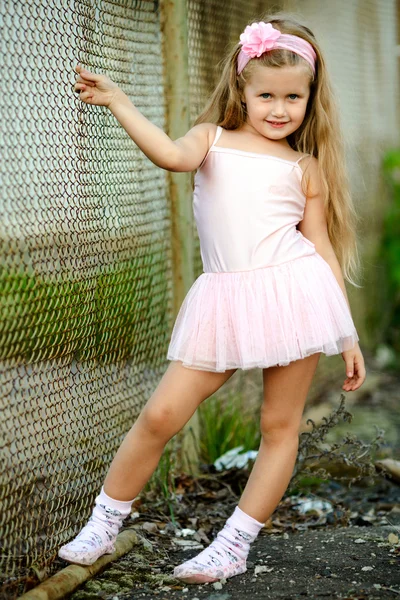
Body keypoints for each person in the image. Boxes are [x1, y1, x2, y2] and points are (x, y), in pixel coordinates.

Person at [59, 13, 366, 585]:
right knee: (161, 414)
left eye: (293, 97)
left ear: (310, 98)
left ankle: (233, 545)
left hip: (297, 295)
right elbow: (170, 156)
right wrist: (121, 103)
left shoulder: (306, 167)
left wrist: (346, 332)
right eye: (267, 95)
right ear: (241, 90)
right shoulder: (212, 140)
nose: (279, 109)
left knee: (279, 426)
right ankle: (105, 521)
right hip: (225, 299)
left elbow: (320, 249)